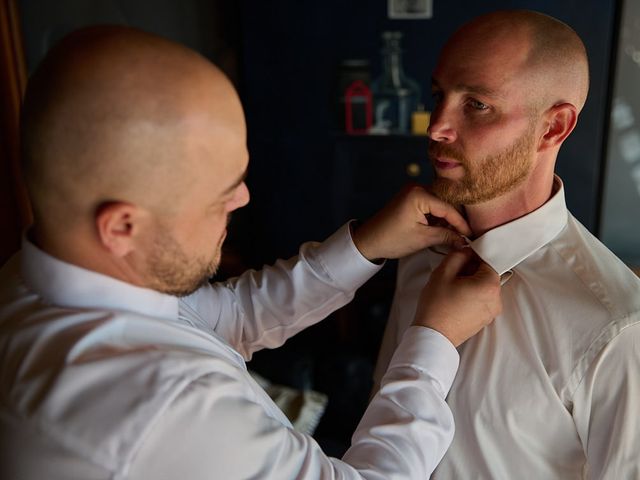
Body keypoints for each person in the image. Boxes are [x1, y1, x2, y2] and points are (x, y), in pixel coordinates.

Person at [0, 26, 502, 479]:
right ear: (122, 227)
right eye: (222, 192)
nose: (243, 199)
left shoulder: (38, 274)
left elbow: (227, 317)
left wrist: (366, 245)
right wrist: (434, 340)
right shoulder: (162, 405)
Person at [373, 9, 640, 479]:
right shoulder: (418, 250)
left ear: (553, 127)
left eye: (476, 104)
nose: (436, 126)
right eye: (439, 95)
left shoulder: (616, 327)